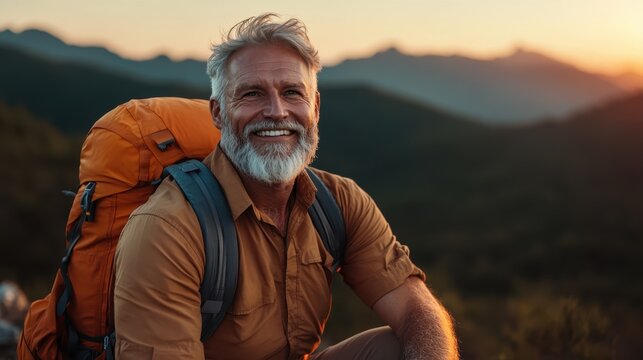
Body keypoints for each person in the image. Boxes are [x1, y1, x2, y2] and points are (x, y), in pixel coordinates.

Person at [114, 13, 458, 360]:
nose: (277, 112)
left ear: (316, 107)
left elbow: (418, 309)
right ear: (217, 113)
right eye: (252, 94)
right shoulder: (168, 229)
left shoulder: (337, 203)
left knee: (402, 346)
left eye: (292, 93)